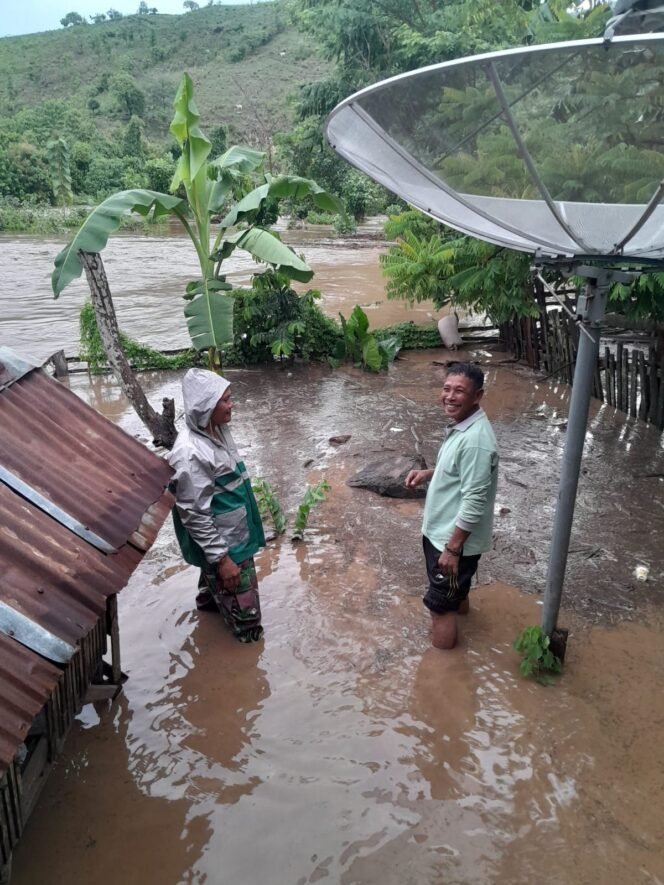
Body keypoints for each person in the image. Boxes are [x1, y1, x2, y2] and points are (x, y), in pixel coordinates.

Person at [168, 368, 266, 642]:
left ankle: (210, 630)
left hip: (232, 537)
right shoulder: (190, 453)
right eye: (225, 400)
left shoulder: (216, 431)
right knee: (249, 629)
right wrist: (222, 560)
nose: (231, 404)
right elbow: (195, 514)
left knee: (212, 601)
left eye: (230, 398)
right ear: (206, 406)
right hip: (226, 549)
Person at [405, 362, 498, 650]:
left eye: (460, 391)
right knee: (455, 593)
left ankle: (444, 674)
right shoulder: (465, 427)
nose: (450, 396)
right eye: (447, 389)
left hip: (451, 539)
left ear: (477, 396)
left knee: (440, 607)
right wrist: (429, 474)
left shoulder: (475, 441)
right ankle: (463, 622)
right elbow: (460, 471)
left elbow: (474, 500)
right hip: (443, 533)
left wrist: (453, 548)